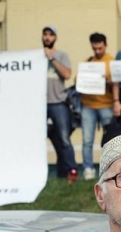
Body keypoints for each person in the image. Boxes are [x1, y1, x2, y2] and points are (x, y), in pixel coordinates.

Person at [43, 25, 79, 182]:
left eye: (51, 34)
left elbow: (66, 74)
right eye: (45, 34)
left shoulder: (61, 55)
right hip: (39, 104)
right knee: (39, 139)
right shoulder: (37, 56)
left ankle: (71, 171)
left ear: (55, 37)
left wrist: (52, 58)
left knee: (64, 139)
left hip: (58, 102)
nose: (48, 37)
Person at [80, 32, 116, 180]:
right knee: (87, 140)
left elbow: (117, 84)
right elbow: (78, 81)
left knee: (109, 139)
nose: (97, 51)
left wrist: (105, 80)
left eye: (100, 48)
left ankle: (109, 168)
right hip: (88, 105)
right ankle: (88, 168)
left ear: (105, 45)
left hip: (106, 104)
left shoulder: (112, 61)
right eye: (95, 48)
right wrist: (82, 78)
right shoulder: (88, 61)